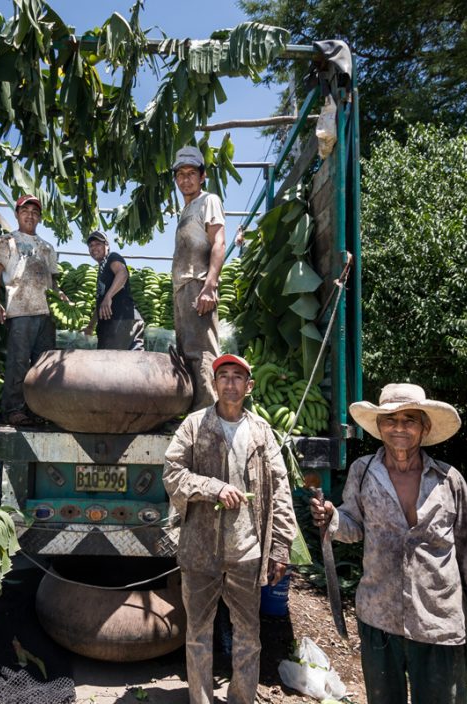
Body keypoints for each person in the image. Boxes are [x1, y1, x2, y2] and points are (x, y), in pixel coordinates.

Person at [309, 383, 467, 704]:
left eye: (409, 419)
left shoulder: (448, 480)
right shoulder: (364, 471)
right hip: (379, 618)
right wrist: (331, 517)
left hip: (438, 623)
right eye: (390, 419)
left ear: (424, 427)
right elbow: (352, 526)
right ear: (379, 426)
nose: (399, 427)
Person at [163, 353, 297, 704]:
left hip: (246, 551)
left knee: (248, 636)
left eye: (238, 377)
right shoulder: (194, 426)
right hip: (200, 549)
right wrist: (213, 488)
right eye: (224, 376)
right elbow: (172, 473)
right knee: (198, 633)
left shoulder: (261, 432)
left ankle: (241, 698)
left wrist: (281, 547)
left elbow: (280, 489)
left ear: (249, 386)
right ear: (214, 383)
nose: (231, 383)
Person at [0, 194, 66, 426]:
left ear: (40, 218)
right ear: (17, 214)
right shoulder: (6, 241)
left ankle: (40, 410)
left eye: (34, 212)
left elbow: (53, 281)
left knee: (44, 365)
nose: (30, 215)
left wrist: (60, 295)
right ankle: (13, 409)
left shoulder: (47, 247)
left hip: (45, 313)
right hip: (19, 310)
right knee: (18, 362)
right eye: (25, 211)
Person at [171, 146, 225, 411]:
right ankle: (193, 418)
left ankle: (210, 418)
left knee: (203, 354)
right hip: (182, 289)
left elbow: (219, 243)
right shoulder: (186, 209)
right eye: (180, 174)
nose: (186, 179)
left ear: (202, 176)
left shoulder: (209, 201)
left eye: (192, 173)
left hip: (198, 285)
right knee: (187, 354)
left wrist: (210, 285)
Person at [81, 230, 145, 350]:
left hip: (121, 321)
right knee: (132, 365)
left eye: (98, 244)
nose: (94, 248)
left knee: (113, 365)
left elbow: (122, 273)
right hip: (120, 323)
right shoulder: (102, 270)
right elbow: (101, 303)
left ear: (107, 246)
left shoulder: (112, 257)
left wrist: (108, 296)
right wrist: (90, 326)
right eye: (91, 245)